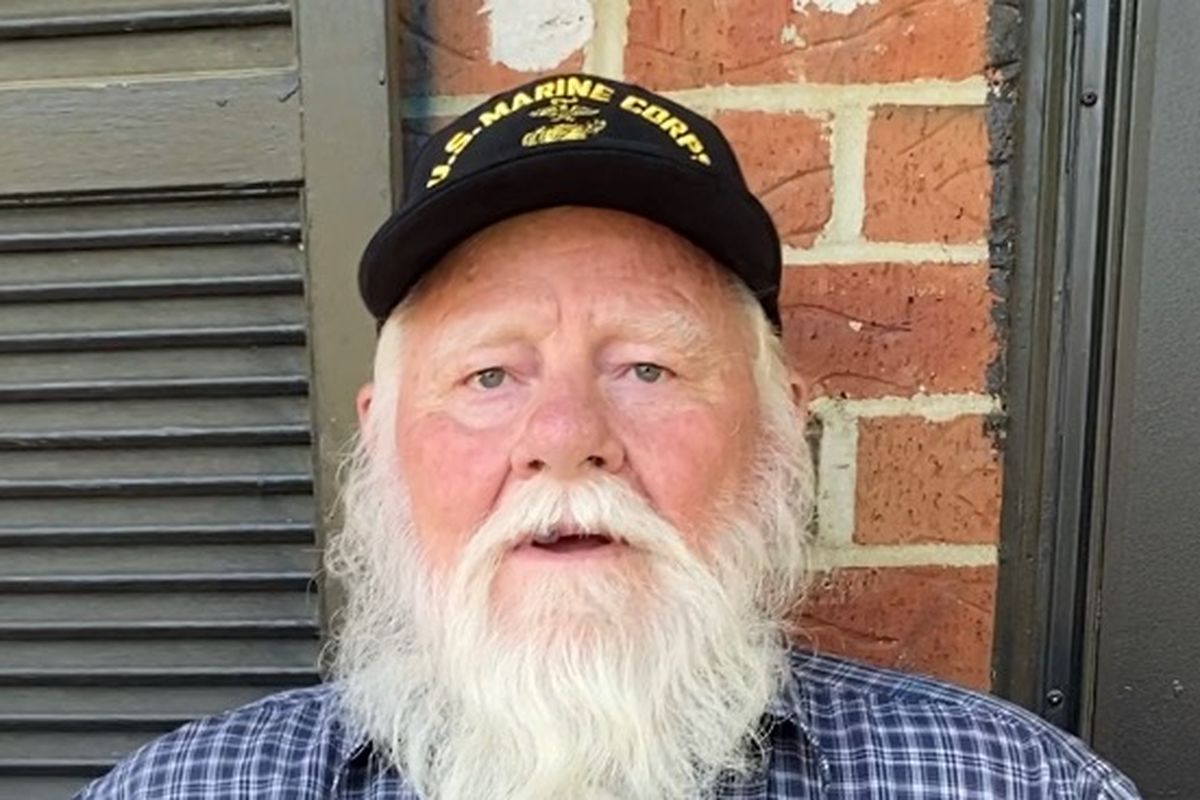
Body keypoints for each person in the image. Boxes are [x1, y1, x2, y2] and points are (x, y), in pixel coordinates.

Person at [77, 73, 1140, 800]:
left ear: (781, 433)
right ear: (384, 438)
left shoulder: (1012, 781)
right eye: (490, 374)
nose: (566, 438)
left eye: (647, 367)